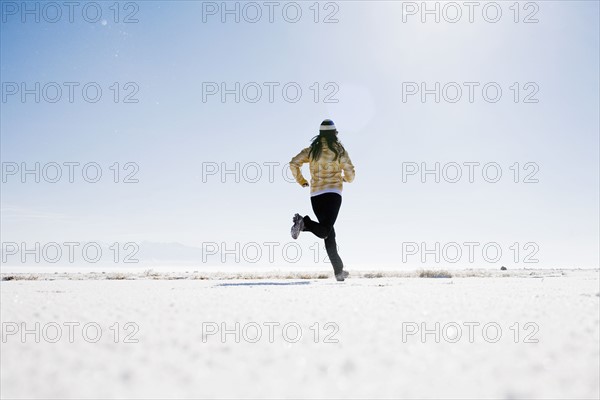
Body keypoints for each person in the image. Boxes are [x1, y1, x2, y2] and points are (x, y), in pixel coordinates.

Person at [289, 119, 355, 282]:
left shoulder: (312, 151)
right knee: (325, 231)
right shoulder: (339, 151)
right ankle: (304, 223)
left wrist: (302, 181)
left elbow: (293, 163)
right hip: (333, 194)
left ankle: (339, 271)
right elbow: (350, 173)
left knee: (328, 233)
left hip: (316, 195)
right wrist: (346, 179)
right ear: (334, 134)